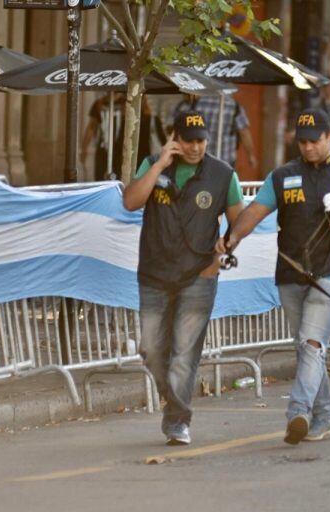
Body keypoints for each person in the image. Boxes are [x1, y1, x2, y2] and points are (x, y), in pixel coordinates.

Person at [223, 108, 330, 444]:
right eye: (302, 141)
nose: (307, 147)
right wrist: (231, 239)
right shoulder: (282, 176)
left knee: (311, 343)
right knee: (308, 348)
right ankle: (324, 416)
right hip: (291, 271)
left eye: (314, 141)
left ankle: (297, 412)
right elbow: (254, 211)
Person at [123, 109, 245, 446]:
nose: (195, 147)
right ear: (175, 139)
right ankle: (175, 404)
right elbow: (131, 202)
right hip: (154, 272)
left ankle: (177, 421)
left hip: (198, 275)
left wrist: (223, 252)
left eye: (201, 141)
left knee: (184, 352)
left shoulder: (223, 175)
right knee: (150, 348)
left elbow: (240, 220)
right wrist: (161, 164)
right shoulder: (154, 164)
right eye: (188, 140)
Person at [170, 95, 257, 170]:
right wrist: (251, 156)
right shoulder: (234, 106)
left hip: (198, 158)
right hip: (226, 160)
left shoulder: (194, 104)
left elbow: (174, 126)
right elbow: (244, 133)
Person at [81, 92, 126, 181]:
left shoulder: (126, 103)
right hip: (103, 148)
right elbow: (91, 127)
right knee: (100, 178)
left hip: (121, 150)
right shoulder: (99, 104)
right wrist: (84, 148)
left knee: (120, 179)